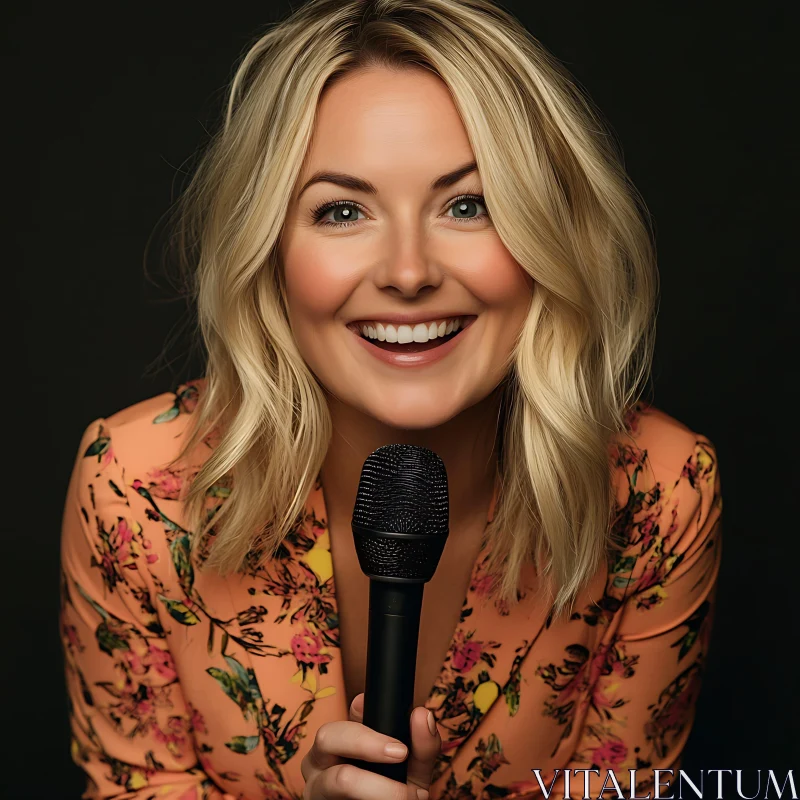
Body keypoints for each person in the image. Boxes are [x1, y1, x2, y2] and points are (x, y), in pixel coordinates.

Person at [59, 1, 723, 798]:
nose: (408, 272)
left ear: (554, 232)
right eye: (342, 210)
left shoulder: (657, 494)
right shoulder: (135, 493)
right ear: (268, 249)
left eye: (468, 204)